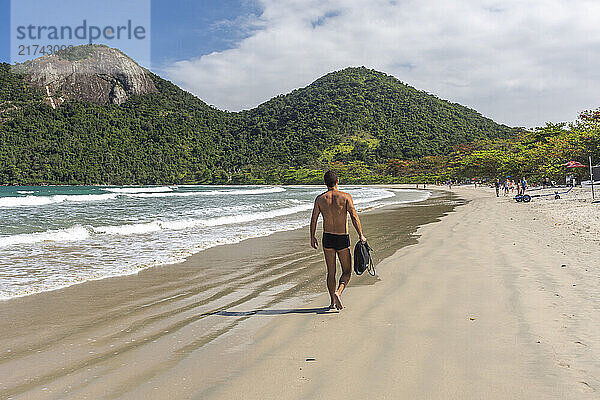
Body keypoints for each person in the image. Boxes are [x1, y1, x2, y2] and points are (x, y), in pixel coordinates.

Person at [310, 171, 367, 310]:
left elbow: (314, 219)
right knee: (347, 271)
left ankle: (332, 302)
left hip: (327, 237)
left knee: (331, 272)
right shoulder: (346, 197)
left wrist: (312, 236)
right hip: (342, 238)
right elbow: (354, 217)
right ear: (338, 182)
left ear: (324, 183)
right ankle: (338, 292)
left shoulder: (320, 199)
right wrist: (361, 235)